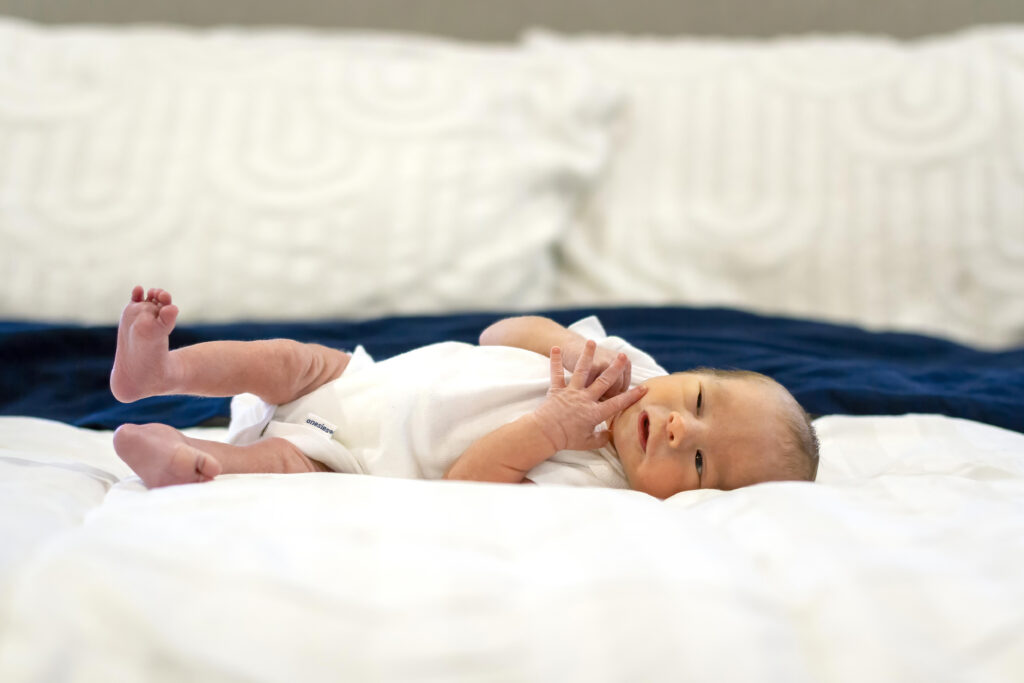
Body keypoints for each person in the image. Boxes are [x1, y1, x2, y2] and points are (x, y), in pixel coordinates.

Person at [111, 286, 819, 497]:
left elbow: (469, 478)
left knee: (289, 466)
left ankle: (187, 458)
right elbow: (496, 333)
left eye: (699, 464)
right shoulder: (623, 361)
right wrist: (566, 345)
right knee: (291, 360)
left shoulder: (598, 487)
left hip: (359, 452)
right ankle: (161, 373)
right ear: (685, 371)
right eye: (697, 402)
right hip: (366, 379)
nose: (677, 430)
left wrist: (554, 425)